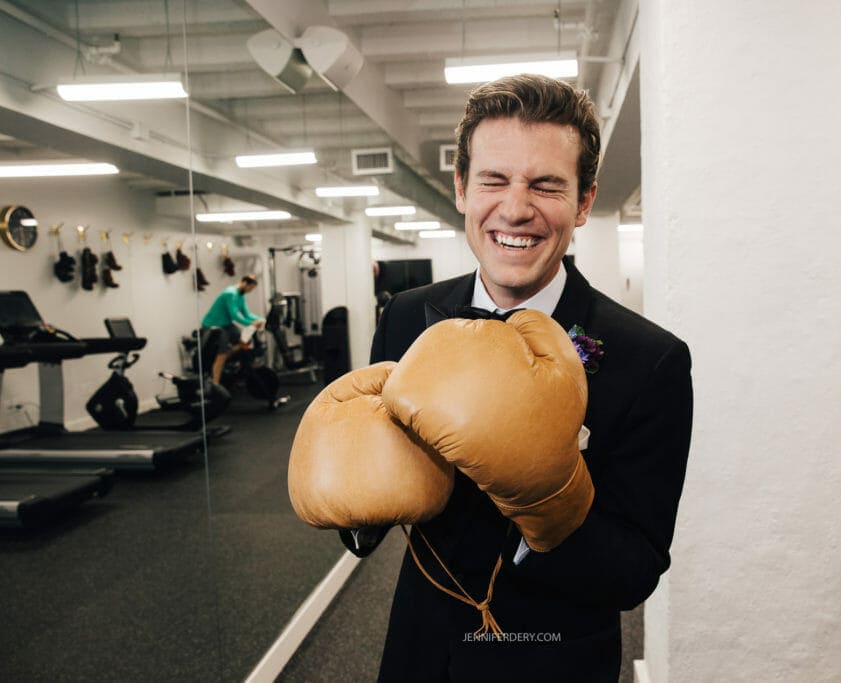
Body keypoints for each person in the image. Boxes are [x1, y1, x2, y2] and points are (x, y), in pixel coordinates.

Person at [299, 74, 693, 682]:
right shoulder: (405, 317)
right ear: (461, 188)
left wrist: (550, 504)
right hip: (418, 646)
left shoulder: (651, 360)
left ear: (584, 202)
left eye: (546, 185)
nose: (515, 208)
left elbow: (636, 571)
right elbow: (381, 506)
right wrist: (354, 509)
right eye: (494, 179)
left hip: (552, 656)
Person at [201, 274, 264, 385]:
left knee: (245, 340)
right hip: (214, 326)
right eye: (250, 288)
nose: (250, 291)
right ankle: (215, 383)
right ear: (245, 283)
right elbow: (235, 315)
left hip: (226, 324)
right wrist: (252, 323)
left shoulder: (241, 295)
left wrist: (261, 319)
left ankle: (228, 357)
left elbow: (246, 313)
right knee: (221, 354)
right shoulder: (231, 293)